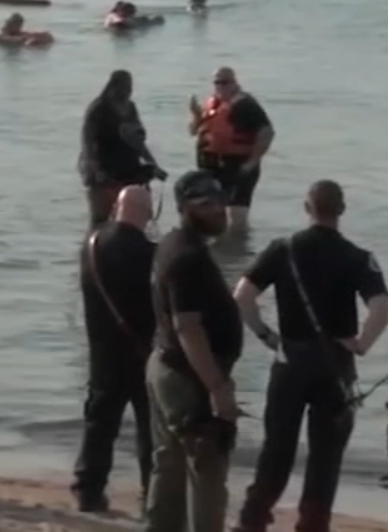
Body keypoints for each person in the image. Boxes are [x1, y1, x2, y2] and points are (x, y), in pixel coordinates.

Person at [232, 181, 388, 532]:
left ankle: (253, 520)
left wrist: (265, 335)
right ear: (342, 210)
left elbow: (243, 295)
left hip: (290, 360)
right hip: (336, 362)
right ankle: (312, 524)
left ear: (307, 208)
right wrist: (363, 342)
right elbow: (380, 307)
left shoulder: (283, 249)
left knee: (277, 447)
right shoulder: (357, 256)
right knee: (327, 454)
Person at [145, 170, 244, 532]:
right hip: (188, 378)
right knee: (207, 474)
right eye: (207, 204)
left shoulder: (174, 244)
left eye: (220, 201)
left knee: (168, 467)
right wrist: (218, 388)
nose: (220, 210)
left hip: (167, 366)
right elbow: (188, 327)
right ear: (186, 208)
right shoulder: (186, 256)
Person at [73, 185, 158, 513]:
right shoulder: (151, 254)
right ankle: (152, 493)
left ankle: (88, 490)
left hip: (101, 348)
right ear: (147, 214)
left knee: (99, 422)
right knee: (149, 427)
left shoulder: (91, 246)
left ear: (115, 209)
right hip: (141, 350)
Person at [188, 67, 275, 234]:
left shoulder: (246, 105)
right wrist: (196, 115)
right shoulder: (213, 104)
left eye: (224, 82)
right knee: (212, 212)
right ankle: (223, 252)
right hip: (212, 167)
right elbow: (193, 131)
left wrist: (253, 161)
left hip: (239, 167)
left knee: (236, 216)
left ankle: (239, 251)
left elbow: (267, 132)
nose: (220, 86)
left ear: (235, 83)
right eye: (216, 82)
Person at [80, 70, 166, 227]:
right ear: (112, 87)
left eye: (130, 87)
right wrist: (97, 171)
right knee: (100, 220)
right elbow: (88, 143)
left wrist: (154, 165)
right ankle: (92, 248)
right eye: (124, 87)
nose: (128, 91)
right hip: (101, 170)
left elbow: (138, 141)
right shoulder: (98, 109)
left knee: (130, 218)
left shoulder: (130, 108)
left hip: (127, 168)